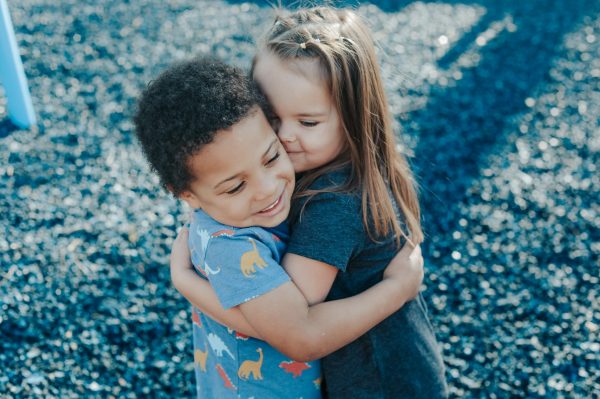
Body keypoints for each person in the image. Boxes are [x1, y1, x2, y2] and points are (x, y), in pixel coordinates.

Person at [170, 6, 448, 398]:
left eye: (308, 122)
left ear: (353, 116)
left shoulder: (335, 202)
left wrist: (187, 282)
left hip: (380, 384)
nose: (284, 135)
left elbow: (290, 328)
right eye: (271, 114)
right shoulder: (312, 165)